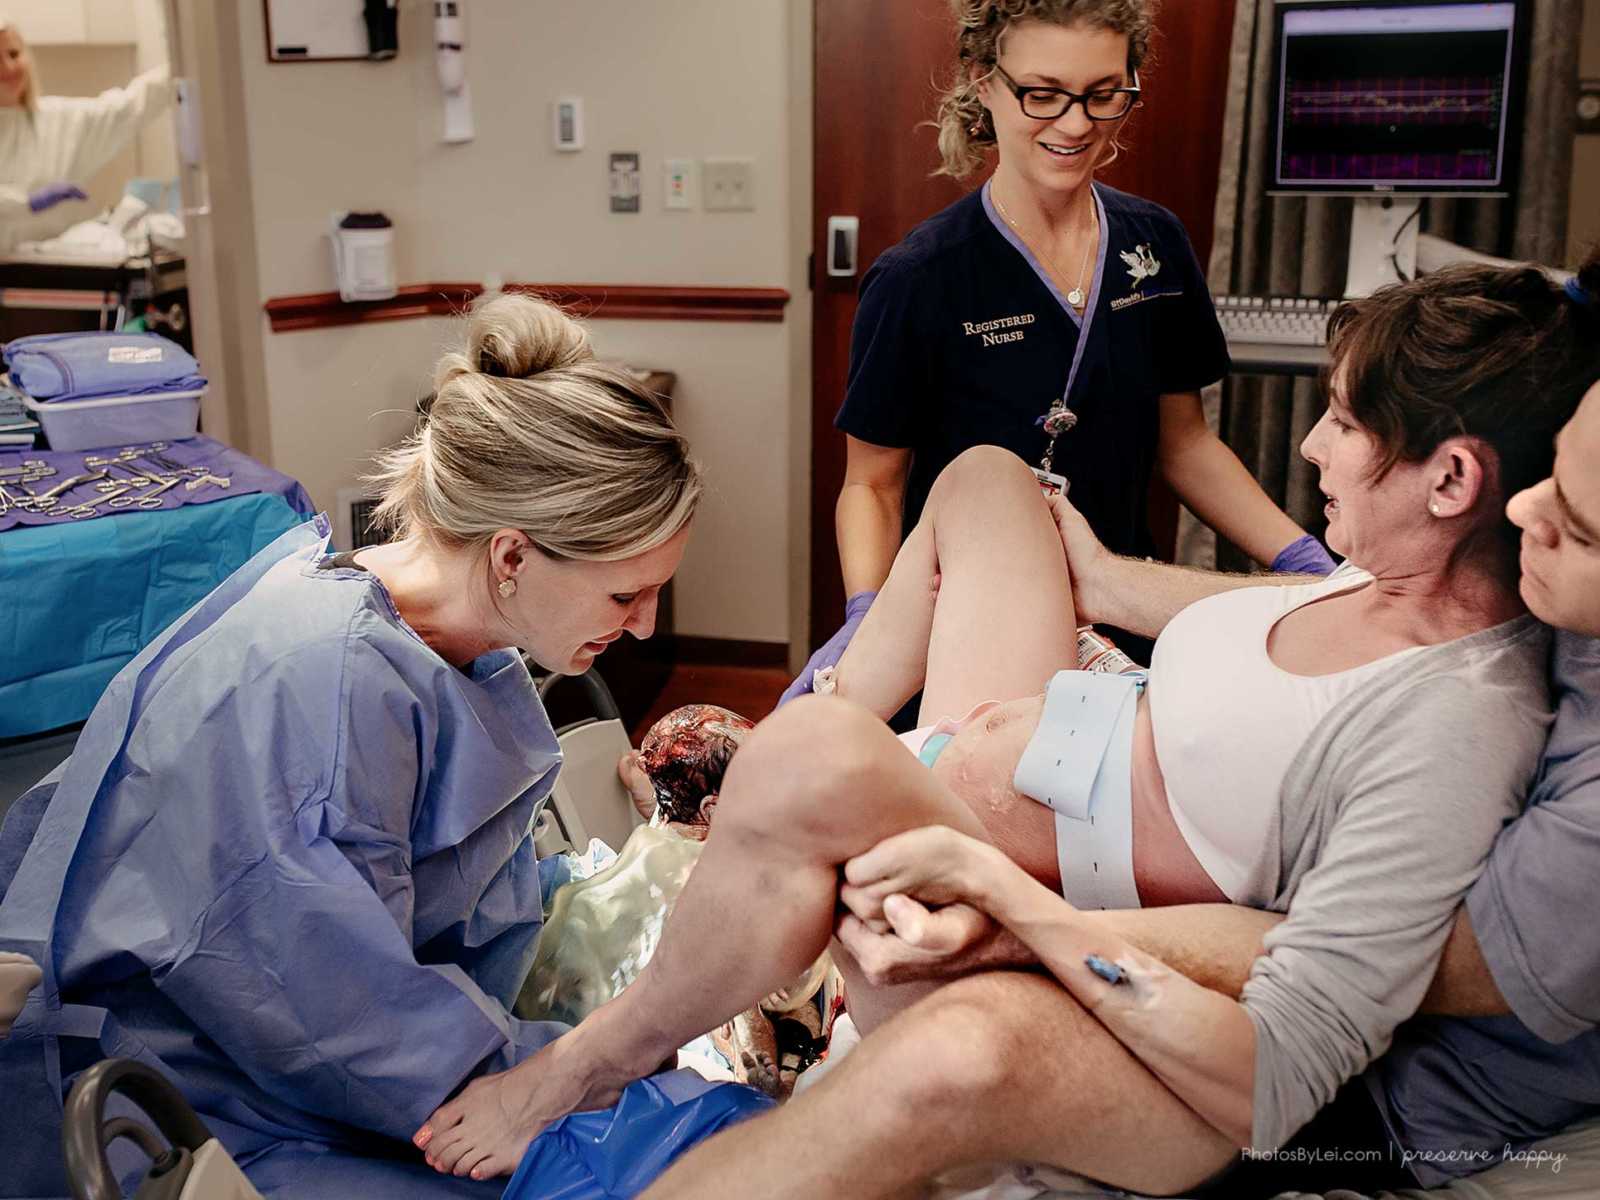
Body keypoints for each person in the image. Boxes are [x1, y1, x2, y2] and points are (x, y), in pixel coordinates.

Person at [413, 258, 1594, 1188]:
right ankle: (791, 749)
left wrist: (1021, 918)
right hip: (1013, 739)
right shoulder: (1368, 576)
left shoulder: (1450, 724)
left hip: (1022, 860)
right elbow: (1269, 634)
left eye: (1342, 425)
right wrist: (1102, 587)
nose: (1308, 446)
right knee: (983, 476)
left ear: (1449, 482)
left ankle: (586, 1059)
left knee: (809, 756)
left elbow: (1285, 1047)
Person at [0, 293, 702, 1199]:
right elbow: (332, 1015)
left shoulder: (439, 643)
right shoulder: (323, 685)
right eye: (624, 596)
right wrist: (575, 1069)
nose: (644, 629)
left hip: (342, 1052)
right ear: (512, 556)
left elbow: (443, 875)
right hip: (214, 1106)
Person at [789, 0, 1322, 702]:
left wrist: (1308, 562)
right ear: (984, 80)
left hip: (1117, 616)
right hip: (972, 629)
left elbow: (1185, 444)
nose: (1076, 125)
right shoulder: (921, 276)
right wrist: (869, 612)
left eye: (1103, 95)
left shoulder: (1153, 245)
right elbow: (873, 485)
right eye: (1043, 95)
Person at [0, 13, 175, 253]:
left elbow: (127, 108)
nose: (8, 67)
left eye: (13, 54)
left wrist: (184, 61)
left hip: (53, 270)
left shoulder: (58, 120)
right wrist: (24, 203)